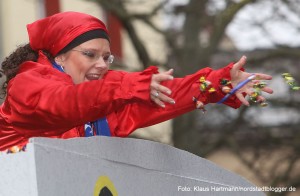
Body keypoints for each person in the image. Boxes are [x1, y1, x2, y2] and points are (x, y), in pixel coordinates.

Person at [0, 11, 273, 152]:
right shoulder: (27, 83)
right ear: (59, 55)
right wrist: (127, 87)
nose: (100, 64)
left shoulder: (104, 98)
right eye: (89, 54)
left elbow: (162, 96)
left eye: (107, 57)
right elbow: (62, 105)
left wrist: (219, 83)